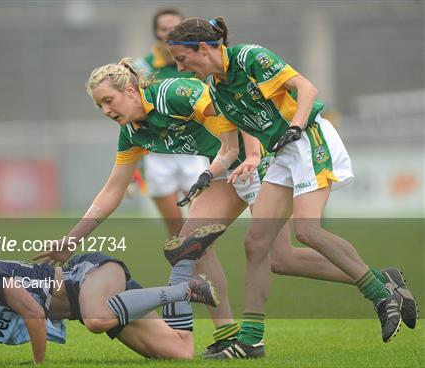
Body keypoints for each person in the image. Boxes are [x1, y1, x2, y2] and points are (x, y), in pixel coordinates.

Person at [35, 60, 415, 358]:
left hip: (265, 161)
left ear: (131, 89)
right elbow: (111, 192)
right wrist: (71, 240)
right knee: (189, 246)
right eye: (99, 105)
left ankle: (379, 283)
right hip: (228, 173)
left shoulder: (176, 93)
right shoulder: (133, 132)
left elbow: (233, 111)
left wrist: (251, 156)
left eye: (108, 101)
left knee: (281, 258)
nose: (105, 110)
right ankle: (229, 335)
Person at [166, 16, 418, 358]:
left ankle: (379, 292)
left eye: (183, 59)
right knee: (257, 244)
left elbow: (307, 88)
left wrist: (296, 126)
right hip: (282, 153)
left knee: (307, 231)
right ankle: (252, 341)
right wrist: (208, 176)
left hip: (309, 137)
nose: (182, 68)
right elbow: (228, 149)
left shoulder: (249, 57)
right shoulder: (217, 91)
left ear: (206, 47)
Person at [0, 252, 220, 364]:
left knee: (96, 319)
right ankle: (183, 263)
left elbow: (34, 313)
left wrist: (38, 363)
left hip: (89, 276)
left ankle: (185, 290)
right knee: (181, 351)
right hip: (102, 303)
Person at [133, 8, 210, 237]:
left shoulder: (197, 62)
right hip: (159, 153)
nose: (170, 35)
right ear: (156, 33)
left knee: (199, 231)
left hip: (193, 149)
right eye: (164, 30)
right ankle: (184, 274)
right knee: (175, 232)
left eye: (175, 29)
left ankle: (203, 273)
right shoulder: (141, 68)